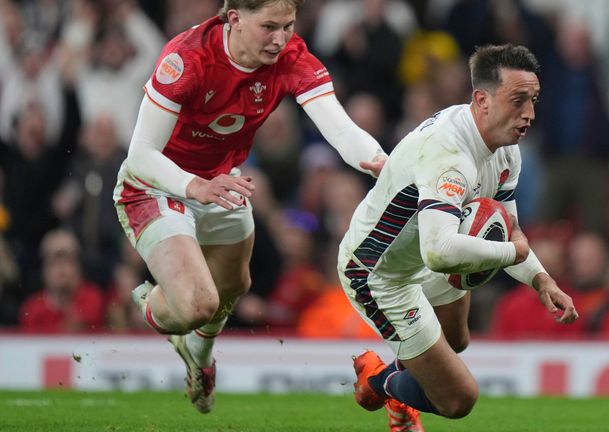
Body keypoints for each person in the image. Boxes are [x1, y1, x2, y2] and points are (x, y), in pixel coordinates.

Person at [112, 0, 387, 414]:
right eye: (269, 27)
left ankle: (201, 362)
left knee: (234, 286)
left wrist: (384, 163)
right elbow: (140, 155)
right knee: (196, 306)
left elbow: (342, 131)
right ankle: (150, 303)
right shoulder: (187, 59)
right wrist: (195, 186)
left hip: (221, 182)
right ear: (235, 19)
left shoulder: (292, 57)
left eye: (288, 26)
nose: (280, 39)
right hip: (157, 185)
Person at [338, 44, 578, 430]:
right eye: (518, 101)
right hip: (376, 272)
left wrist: (541, 279)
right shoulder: (449, 153)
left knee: (456, 340)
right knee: (457, 399)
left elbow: (509, 230)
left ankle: (398, 389)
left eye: (533, 100)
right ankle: (377, 381)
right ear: (481, 100)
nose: (529, 114)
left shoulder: (505, 150)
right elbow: (440, 252)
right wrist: (513, 252)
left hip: (423, 252)